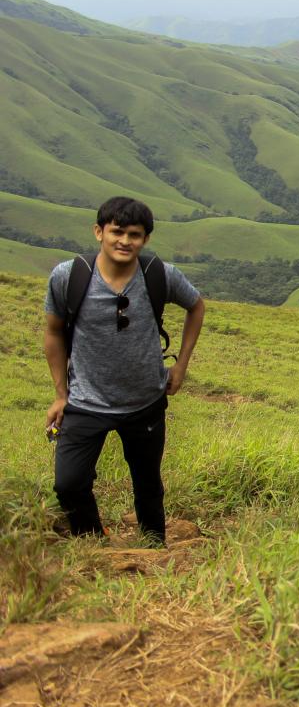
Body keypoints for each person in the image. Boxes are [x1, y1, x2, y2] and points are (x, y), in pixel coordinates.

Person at [44, 196, 206, 545]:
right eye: (117, 231)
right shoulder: (69, 277)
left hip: (145, 399)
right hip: (85, 400)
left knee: (147, 482)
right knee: (68, 483)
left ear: (145, 239)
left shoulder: (158, 275)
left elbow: (196, 307)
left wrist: (182, 364)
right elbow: (53, 332)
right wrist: (60, 394)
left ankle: (154, 547)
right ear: (99, 232)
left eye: (134, 234)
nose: (125, 241)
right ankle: (93, 542)